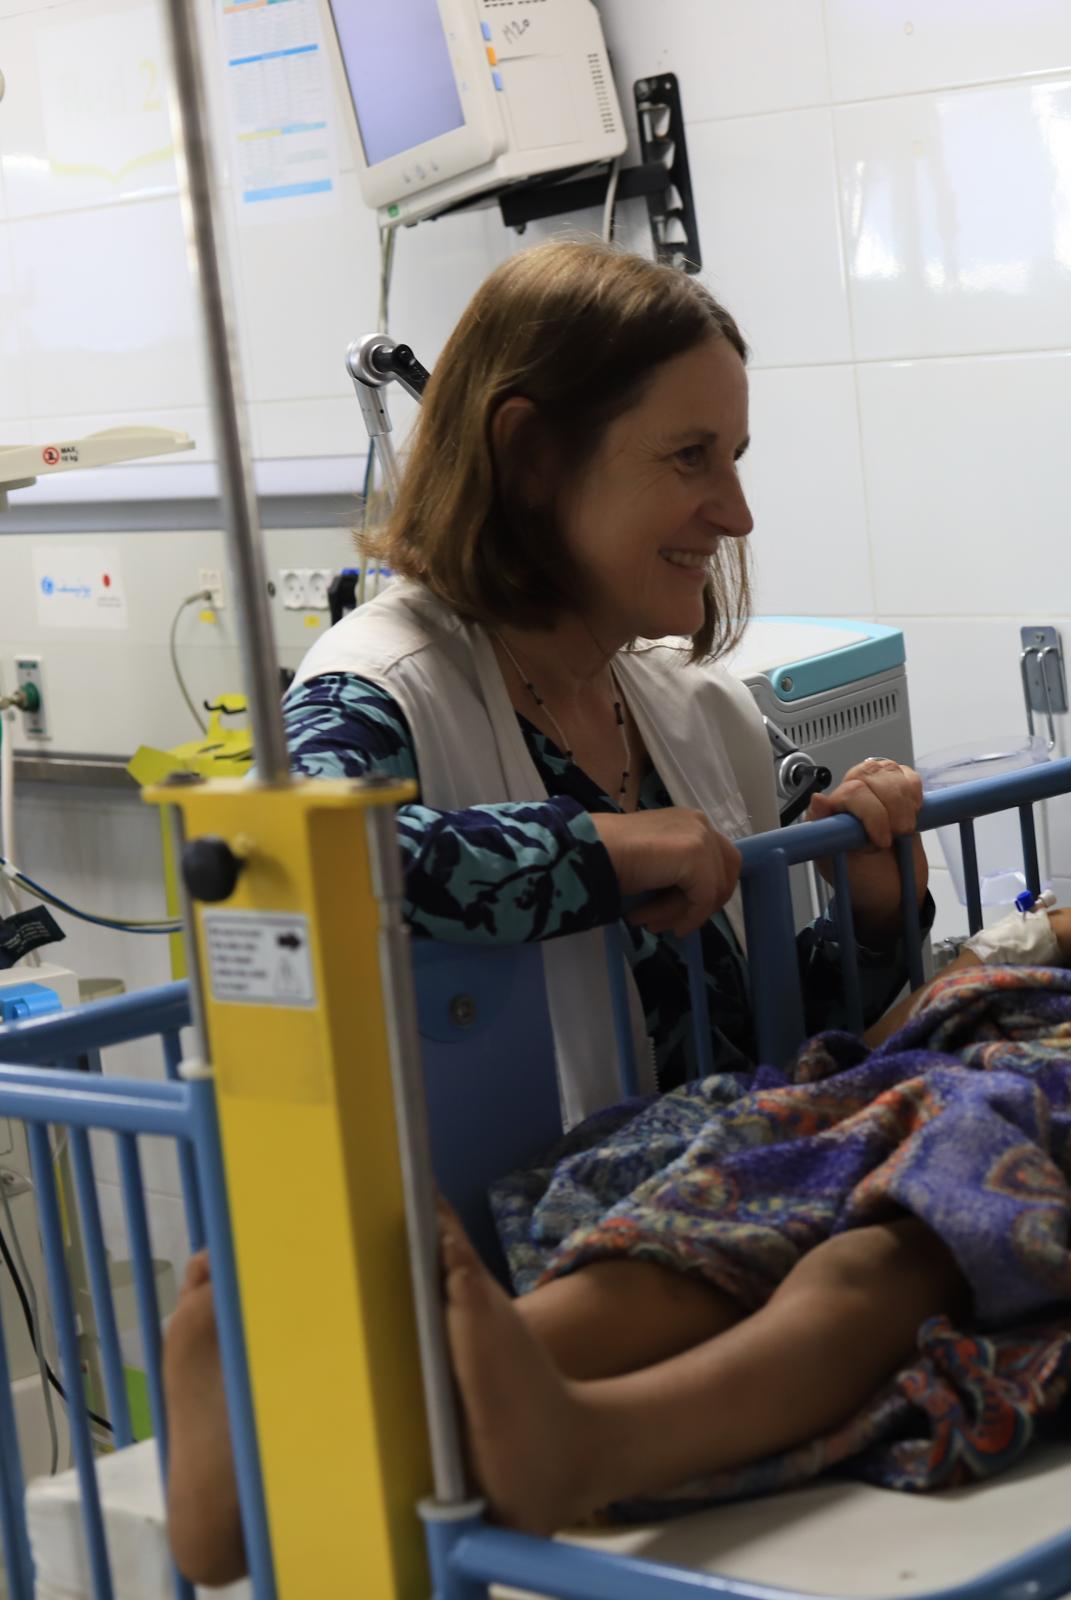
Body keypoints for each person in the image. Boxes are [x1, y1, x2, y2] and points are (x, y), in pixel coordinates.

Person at [166, 741, 1071, 1571]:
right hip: (900, 1103)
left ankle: (593, 1441)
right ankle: (317, 1448)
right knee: (719, 1219)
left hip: (1056, 1138)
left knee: (877, 1260)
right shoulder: (1001, 948)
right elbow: (887, 1044)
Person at [286, 240, 927, 1116]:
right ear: (532, 456)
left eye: (734, 456)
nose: (738, 513)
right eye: (690, 456)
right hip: (521, 1245)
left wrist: (876, 922)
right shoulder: (377, 685)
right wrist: (594, 851)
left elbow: (772, 1048)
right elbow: (301, 864)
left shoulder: (698, 711)